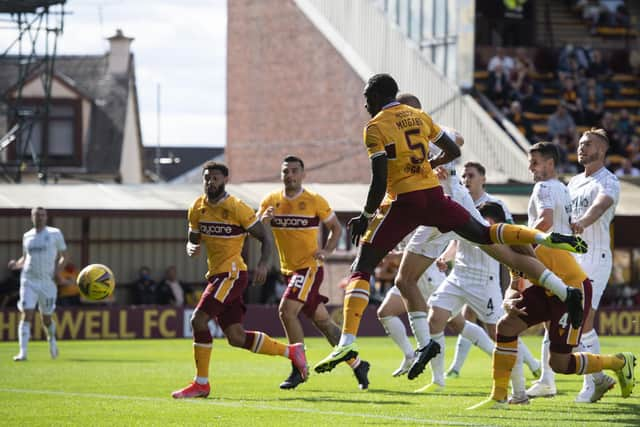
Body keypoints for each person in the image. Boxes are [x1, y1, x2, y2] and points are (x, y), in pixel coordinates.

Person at [313, 75, 587, 377]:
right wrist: (430, 163)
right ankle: (554, 263)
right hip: (436, 202)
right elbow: (453, 146)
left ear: (379, 97)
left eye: (367, 97)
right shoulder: (420, 118)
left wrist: (366, 214)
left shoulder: (377, 126)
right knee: (419, 275)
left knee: (364, 265)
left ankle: (349, 341)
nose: (365, 104)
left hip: (417, 203)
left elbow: (385, 176)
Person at [171, 161, 307, 399]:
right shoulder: (196, 207)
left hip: (232, 275)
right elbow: (193, 237)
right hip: (217, 276)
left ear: (225, 180)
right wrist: (192, 245)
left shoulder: (237, 208)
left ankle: (201, 383)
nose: (210, 182)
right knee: (236, 337)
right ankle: (292, 352)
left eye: (215, 178)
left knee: (198, 320)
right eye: (206, 178)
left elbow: (265, 238)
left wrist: (263, 263)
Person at [468, 244, 636, 409]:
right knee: (506, 326)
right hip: (546, 291)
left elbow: (534, 256)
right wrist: (508, 300)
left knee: (559, 364)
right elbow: (513, 286)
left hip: (573, 292)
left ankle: (618, 362)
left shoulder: (522, 244)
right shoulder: (508, 251)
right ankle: (503, 396)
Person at [259, 155, 370, 390]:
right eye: (285, 171)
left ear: (303, 175)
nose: (289, 175)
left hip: (308, 268)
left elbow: (336, 228)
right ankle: (359, 365)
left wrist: (327, 250)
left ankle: (298, 368)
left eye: (294, 171)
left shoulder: (313, 200)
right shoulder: (271, 201)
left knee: (286, 312)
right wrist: (263, 221)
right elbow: (257, 230)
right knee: (325, 323)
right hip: (289, 271)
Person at [568, 128, 622, 403]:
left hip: (594, 256)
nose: (582, 148)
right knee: (566, 320)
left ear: (602, 150)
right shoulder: (573, 182)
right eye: (580, 144)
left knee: (583, 319)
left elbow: (601, 205)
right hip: (571, 256)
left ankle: (593, 382)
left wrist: (582, 223)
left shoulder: (609, 180)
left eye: (588, 144)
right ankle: (614, 366)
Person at [13, 207, 67, 361]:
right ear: (32, 217)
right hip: (29, 280)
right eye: (36, 215)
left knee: (46, 318)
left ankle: (52, 340)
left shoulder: (55, 234)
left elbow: (64, 256)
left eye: (42, 215)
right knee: (27, 314)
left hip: (47, 283)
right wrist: (16, 265)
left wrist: (57, 272)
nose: (39, 217)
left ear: (46, 217)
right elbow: (24, 258)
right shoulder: (27, 236)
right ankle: (23, 353)